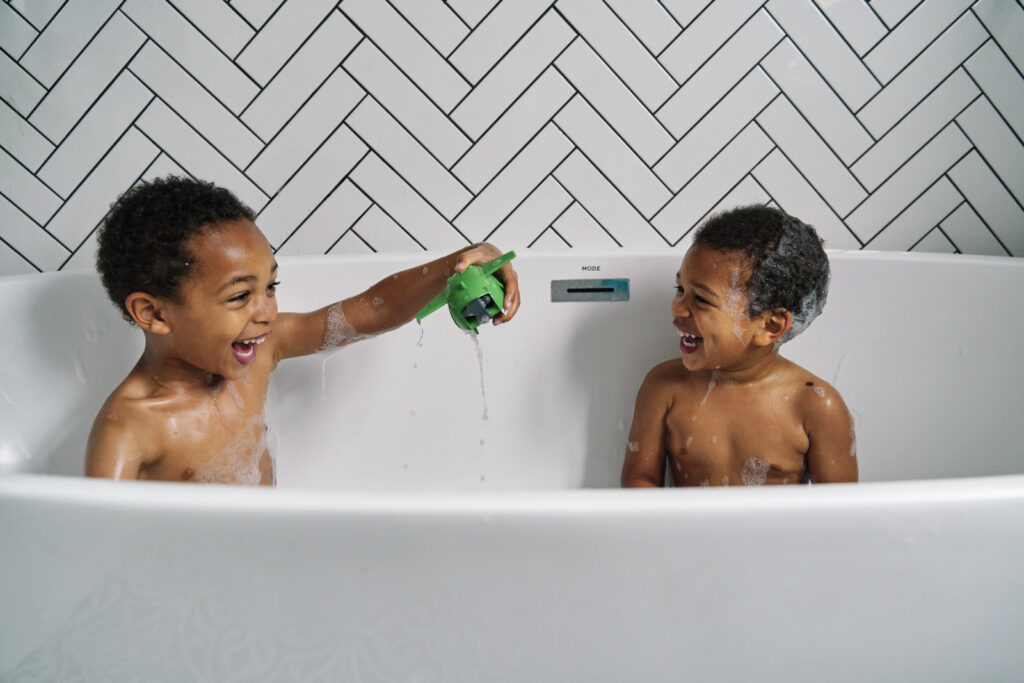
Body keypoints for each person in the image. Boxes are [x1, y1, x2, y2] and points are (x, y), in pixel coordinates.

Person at [85, 176, 520, 485]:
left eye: (270, 286)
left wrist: (458, 263)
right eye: (240, 296)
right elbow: (101, 557)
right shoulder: (129, 429)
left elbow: (370, 311)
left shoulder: (259, 351)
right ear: (152, 313)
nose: (267, 313)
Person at [621, 205, 857, 488]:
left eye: (702, 300)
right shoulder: (664, 387)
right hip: (686, 532)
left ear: (769, 326)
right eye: (680, 290)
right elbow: (640, 480)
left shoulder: (816, 406)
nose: (678, 308)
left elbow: (838, 512)